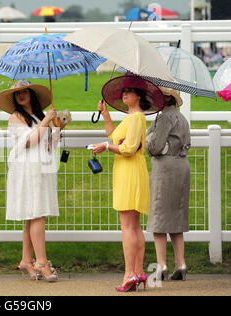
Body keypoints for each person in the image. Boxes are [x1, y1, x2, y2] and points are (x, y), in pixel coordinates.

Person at [91, 75, 164, 292]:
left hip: (130, 171)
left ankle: (130, 273)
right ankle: (137, 271)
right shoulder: (132, 117)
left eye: (130, 91)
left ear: (139, 95)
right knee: (134, 226)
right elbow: (115, 137)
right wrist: (105, 115)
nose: (125, 94)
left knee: (128, 227)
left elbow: (129, 148)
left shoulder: (136, 117)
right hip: (129, 171)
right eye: (124, 91)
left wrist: (105, 146)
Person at [0, 80, 65, 282]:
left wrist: (58, 127)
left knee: (32, 215)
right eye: (18, 94)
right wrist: (45, 122)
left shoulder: (38, 116)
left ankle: (26, 260)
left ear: (32, 95)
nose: (22, 96)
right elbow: (28, 142)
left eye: (25, 92)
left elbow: (48, 144)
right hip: (26, 170)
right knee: (37, 214)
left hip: (41, 168)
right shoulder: (15, 118)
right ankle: (41, 262)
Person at [146, 87, 191, 281]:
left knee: (159, 216)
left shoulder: (163, 118)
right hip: (182, 165)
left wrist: (148, 140)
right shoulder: (182, 118)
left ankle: (162, 265)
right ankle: (181, 263)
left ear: (163, 99)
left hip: (165, 168)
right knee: (176, 217)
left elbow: (155, 147)